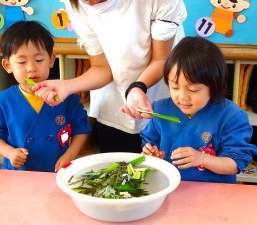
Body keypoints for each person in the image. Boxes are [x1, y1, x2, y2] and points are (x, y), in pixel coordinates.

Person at [31, 0, 187, 153]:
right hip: (114, 110)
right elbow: (101, 68)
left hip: (162, 105)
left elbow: (161, 59)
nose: (90, 4)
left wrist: (137, 87)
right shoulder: (73, 3)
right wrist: (68, 86)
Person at [141, 36, 257, 183]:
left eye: (193, 89)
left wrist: (202, 158)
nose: (182, 97)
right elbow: (149, 144)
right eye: (175, 87)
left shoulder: (231, 116)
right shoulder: (160, 110)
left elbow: (235, 163)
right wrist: (152, 154)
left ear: (213, 86)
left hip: (215, 192)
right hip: (170, 187)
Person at [0, 21, 91, 172]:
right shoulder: (0, 102)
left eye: (39, 60)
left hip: (57, 171)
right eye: (21, 62)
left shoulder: (66, 97)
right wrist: (9, 152)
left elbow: (81, 129)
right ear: (8, 66)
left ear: (52, 60)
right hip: (19, 175)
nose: (31, 68)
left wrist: (70, 154)